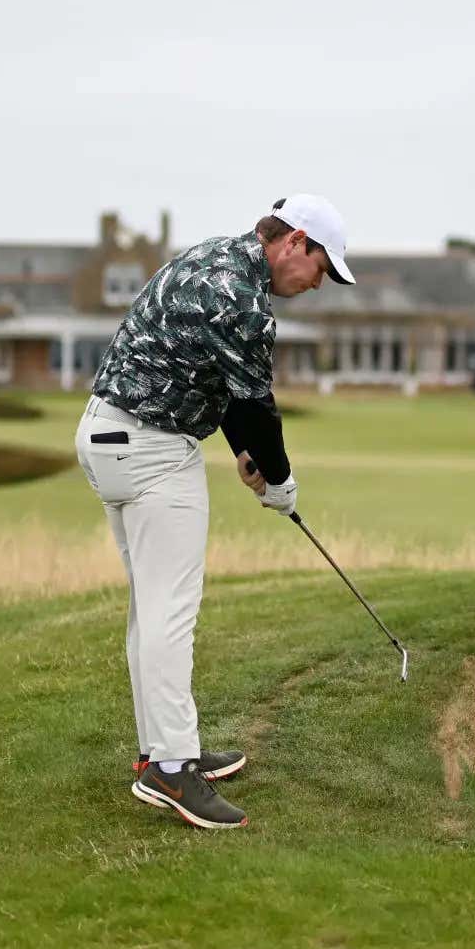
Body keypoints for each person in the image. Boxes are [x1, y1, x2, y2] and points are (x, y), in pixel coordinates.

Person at [75, 194, 354, 829]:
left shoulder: (211, 260)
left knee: (152, 607)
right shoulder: (246, 301)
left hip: (107, 437)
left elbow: (217, 380)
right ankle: (173, 768)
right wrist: (279, 481)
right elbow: (256, 405)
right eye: (320, 269)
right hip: (152, 452)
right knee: (171, 612)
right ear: (295, 243)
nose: (316, 286)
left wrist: (244, 455)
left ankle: (162, 753)